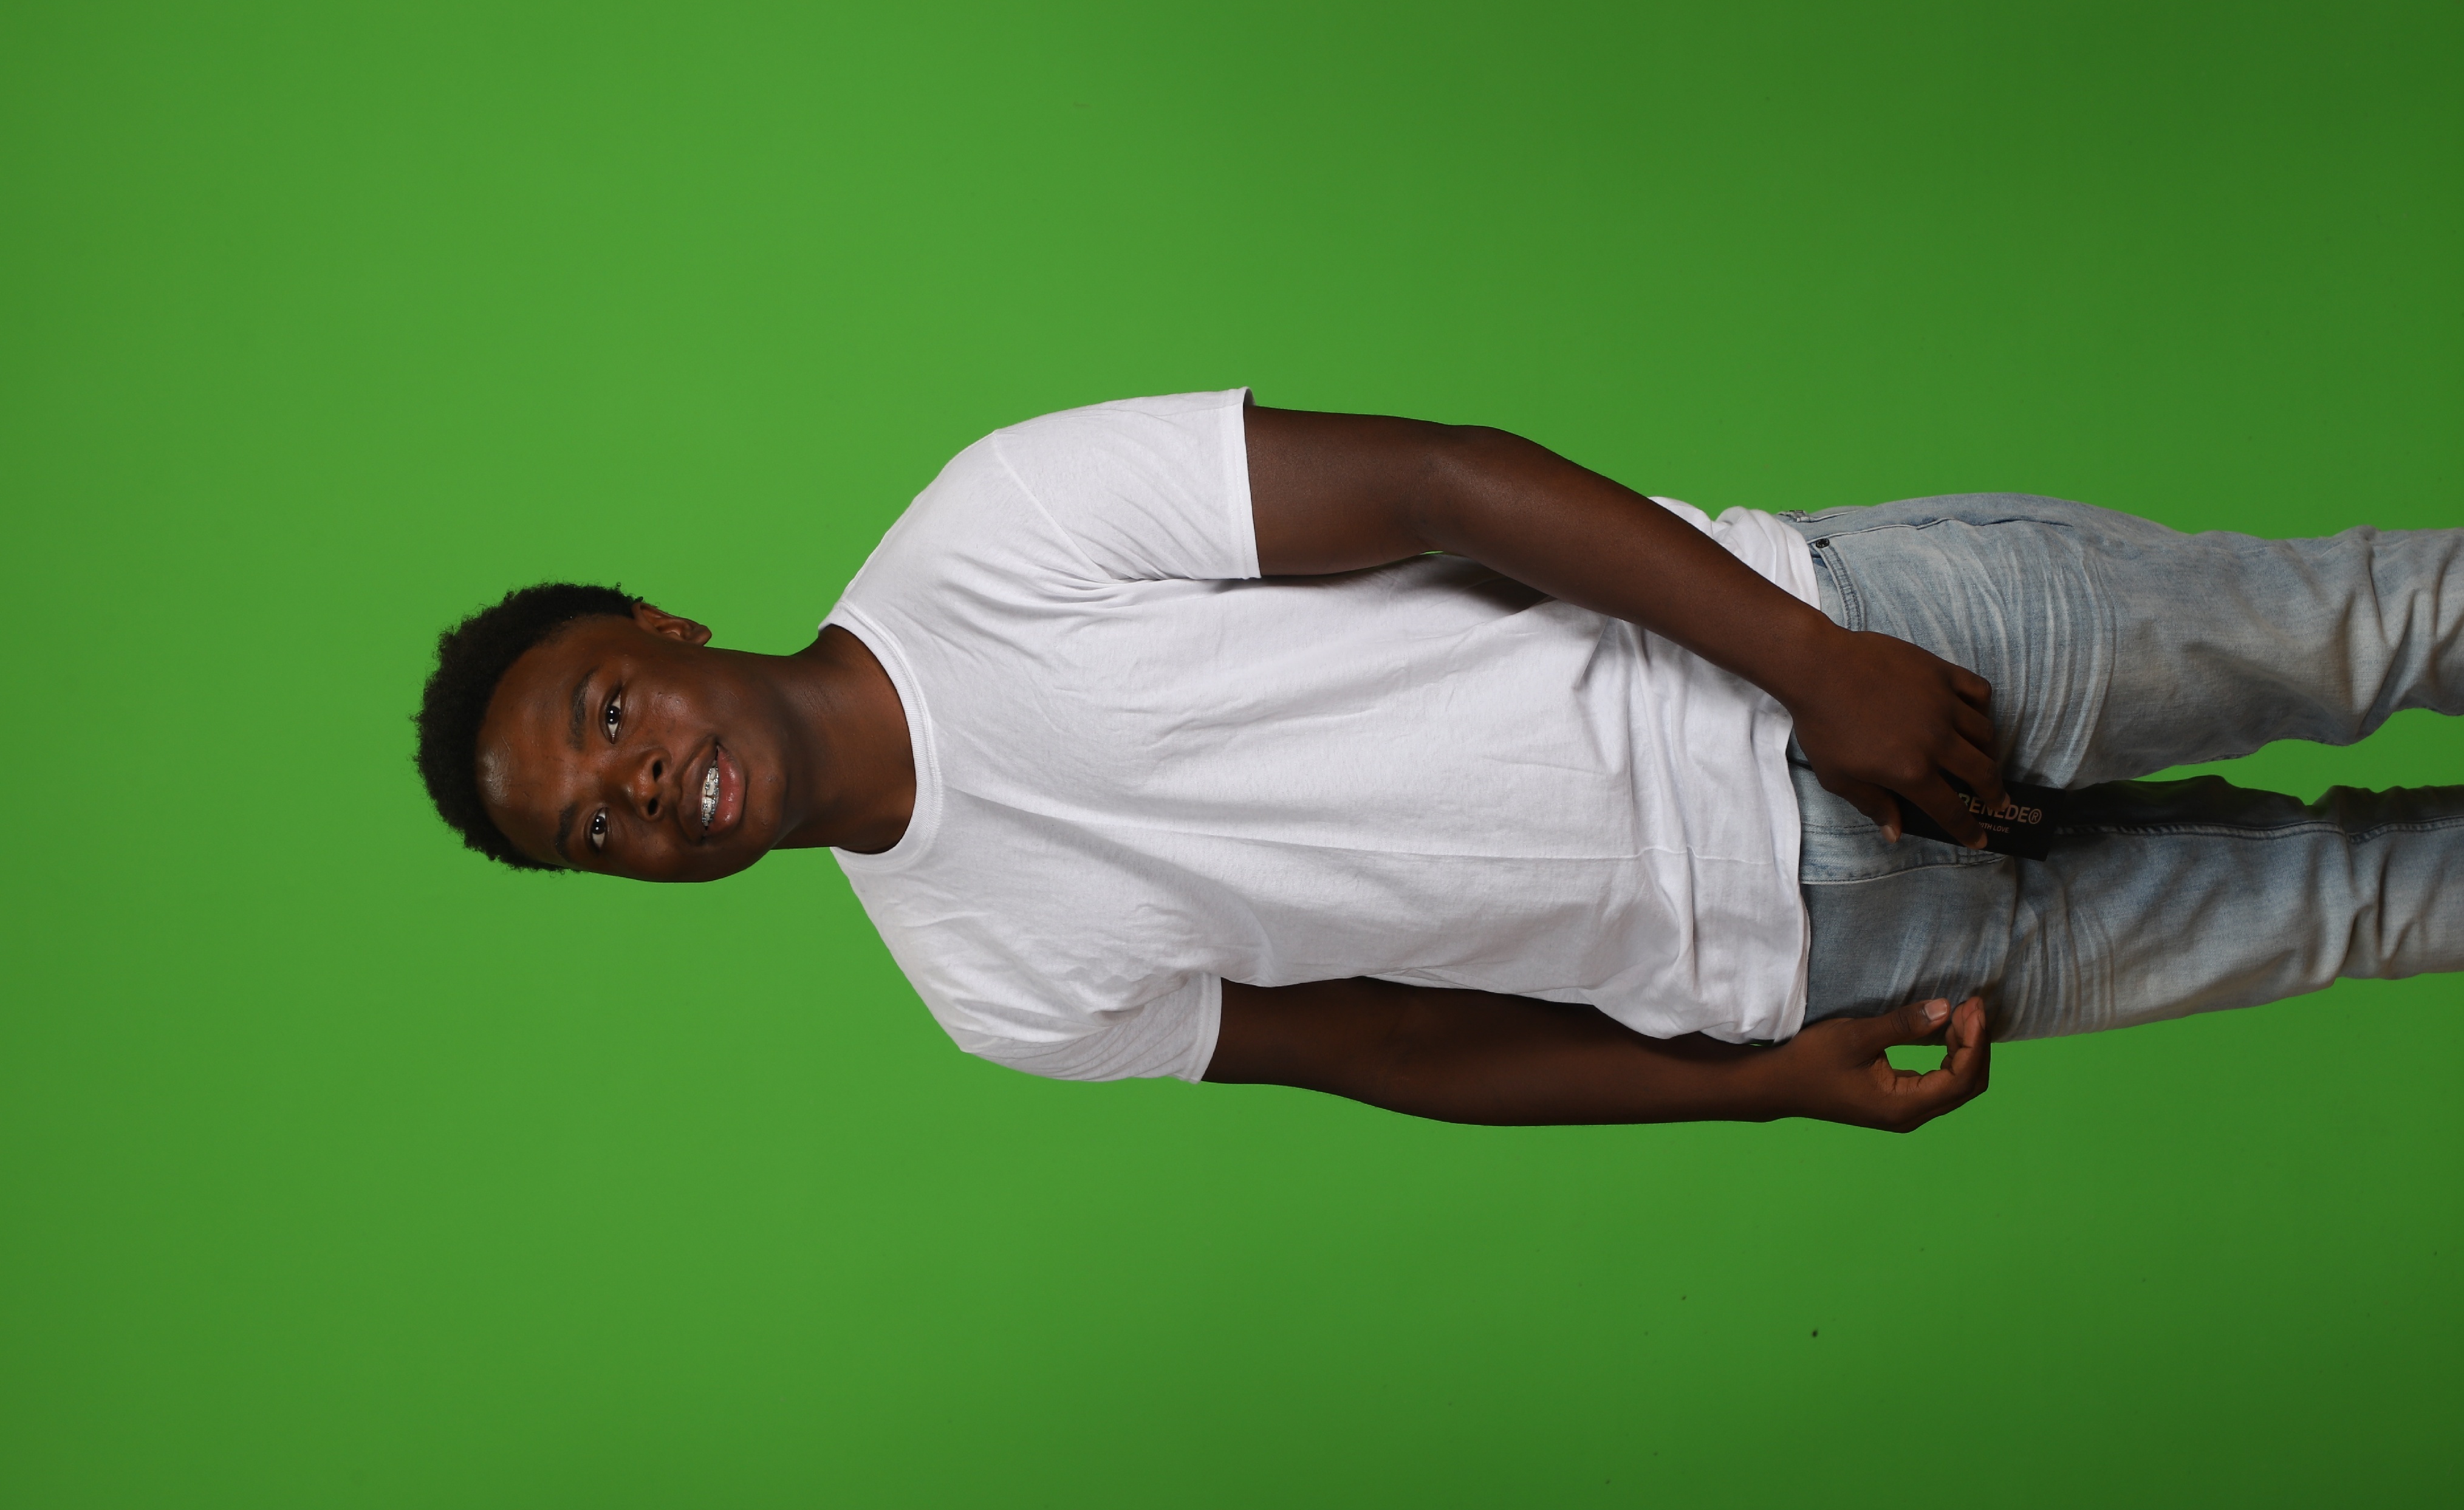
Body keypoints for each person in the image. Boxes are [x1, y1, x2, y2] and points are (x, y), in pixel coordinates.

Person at [412, 391, 2464, 1131]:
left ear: (660, 630)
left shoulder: (991, 528)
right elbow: (1394, 1048)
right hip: (1814, 961)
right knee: (2369, 907)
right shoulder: (987, 990)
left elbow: (1438, 484)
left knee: (2369, 629)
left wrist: (1817, 667)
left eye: (607, 719)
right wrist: (1756, 1087)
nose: (639, 792)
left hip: (1857, 661)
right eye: (597, 833)